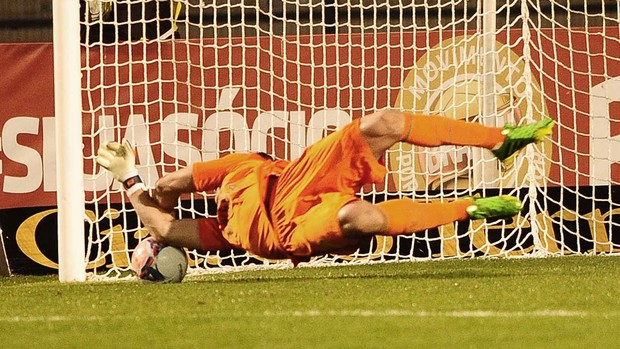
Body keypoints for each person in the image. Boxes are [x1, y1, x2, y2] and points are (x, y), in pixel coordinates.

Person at [96, 110, 554, 265]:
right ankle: (468, 209)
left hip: (301, 175)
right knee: (363, 218)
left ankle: (499, 141)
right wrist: (129, 181)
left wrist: (154, 187)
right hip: (289, 232)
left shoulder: (239, 167)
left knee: (385, 122)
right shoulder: (223, 234)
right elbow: (163, 227)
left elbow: (170, 185)